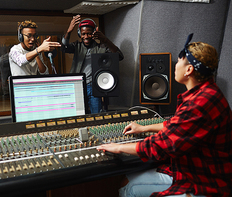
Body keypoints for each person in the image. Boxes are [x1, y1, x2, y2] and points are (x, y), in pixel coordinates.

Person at [97, 33, 232, 197]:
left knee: (129, 191)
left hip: (204, 181)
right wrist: (143, 128)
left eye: (179, 61)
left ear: (189, 69)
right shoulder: (205, 93)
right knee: (126, 180)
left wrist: (118, 147)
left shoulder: (200, 103)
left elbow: (159, 147)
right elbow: (178, 125)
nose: (175, 66)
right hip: (187, 170)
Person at [61, 15, 124, 114]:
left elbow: (119, 56)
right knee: (78, 114)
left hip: (94, 86)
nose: (86, 37)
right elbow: (63, 48)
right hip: (78, 85)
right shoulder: (77, 46)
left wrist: (105, 40)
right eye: (83, 34)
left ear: (94, 33)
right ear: (79, 34)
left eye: (89, 34)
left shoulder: (101, 47)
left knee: (96, 115)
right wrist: (68, 32)